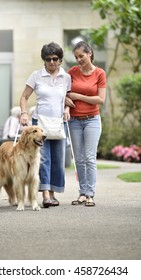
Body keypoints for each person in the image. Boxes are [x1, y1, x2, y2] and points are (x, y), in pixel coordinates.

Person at [20, 42, 71, 208]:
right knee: (44, 159)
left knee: (57, 160)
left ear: (60, 60)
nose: (51, 62)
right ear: (44, 60)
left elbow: (67, 98)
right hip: (39, 124)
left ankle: (54, 193)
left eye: (55, 58)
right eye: (48, 59)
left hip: (58, 123)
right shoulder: (36, 75)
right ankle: (46, 195)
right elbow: (24, 97)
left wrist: (67, 109)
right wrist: (24, 113)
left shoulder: (66, 77)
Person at [66, 41, 106, 207]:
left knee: (90, 158)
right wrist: (68, 100)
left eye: (81, 56)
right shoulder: (72, 72)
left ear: (89, 53)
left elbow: (100, 99)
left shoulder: (99, 73)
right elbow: (66, 94)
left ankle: (90, 193)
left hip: (92, 120)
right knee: (79, 159)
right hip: (74, 121)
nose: (79, 59)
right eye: (76, 57)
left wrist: (78, 96)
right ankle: (82, 193)